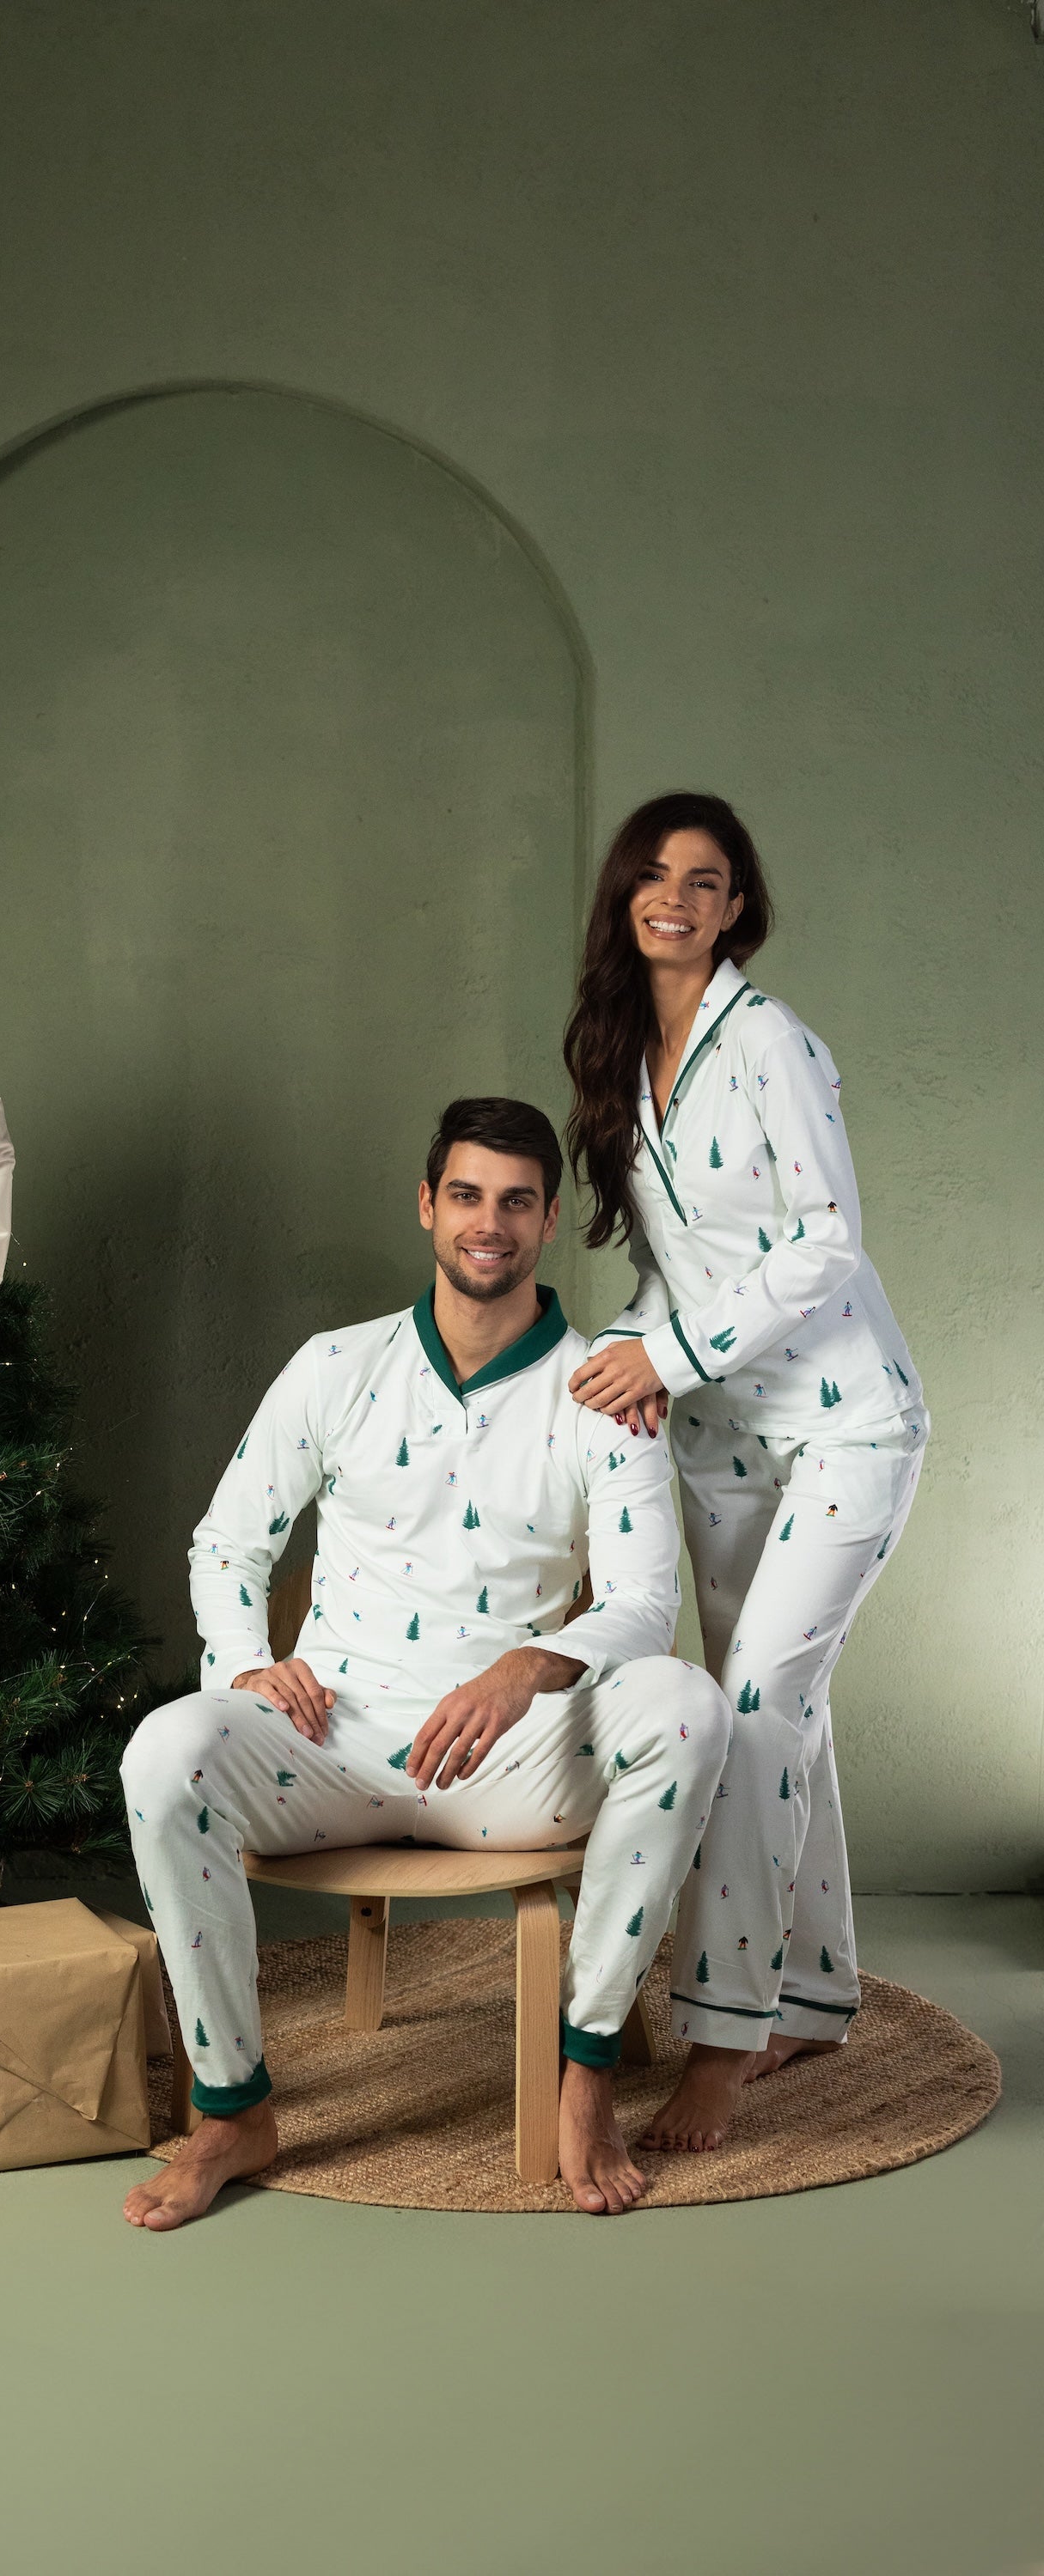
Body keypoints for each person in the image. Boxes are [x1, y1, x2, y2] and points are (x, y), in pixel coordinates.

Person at [119, 1097, 730, 2226]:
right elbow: (229, 1544)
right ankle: (231, 2110)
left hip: (513, 1763)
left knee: (687, 1708)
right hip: (329, 1744)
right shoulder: (335, 1366)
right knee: (165, 1754)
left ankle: (586, 2067)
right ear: (426, 1206)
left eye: (515, 1201)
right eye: (465, 1196)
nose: (487, 1223)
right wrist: (246, 1664)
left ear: (549, 1220)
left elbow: (644, 1605)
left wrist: (527, 1668)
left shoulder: (607, 1389)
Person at [563, 792, 928, 2153]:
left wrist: (664, 1352)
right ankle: (811, 1997)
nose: (676, 897)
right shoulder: (623, 1051)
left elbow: (826, 1241)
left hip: (846, 1422)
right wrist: (624, 1348)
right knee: (774, 1717)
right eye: (655, 875)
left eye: (705, 880)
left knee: (760, 1702)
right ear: (626, 896)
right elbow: (679, 1260)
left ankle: (724, 2040)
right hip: (718, 1436)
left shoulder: (771, 1042)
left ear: (735, 909)